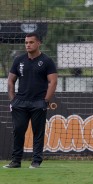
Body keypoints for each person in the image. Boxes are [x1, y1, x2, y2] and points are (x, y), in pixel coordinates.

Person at [3, 33, 58, 169]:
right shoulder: (18, 60)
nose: (28, 45)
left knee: (38, 133)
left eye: (31, 42)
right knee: (18, 131)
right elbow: (11, 80)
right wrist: (13, 100)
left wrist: (45, 101)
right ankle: (16, 161)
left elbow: (53, 82)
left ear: (39, 43)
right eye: (26, 42)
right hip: (20, 103)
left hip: (38, 102)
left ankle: (36, 161)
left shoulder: (47, 61)